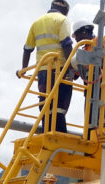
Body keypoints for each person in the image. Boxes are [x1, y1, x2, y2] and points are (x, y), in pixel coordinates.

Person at [19, 0, 74, 133]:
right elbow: (67, 44)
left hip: (43, 71)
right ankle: (58, 133)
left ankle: (47, 130)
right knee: (60, 104)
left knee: (46, 103)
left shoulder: (37, 22)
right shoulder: (62, 20)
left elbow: (27, 49)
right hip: (60, 68)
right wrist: (72, 66)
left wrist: (23, 69)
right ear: (65, 11)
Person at [71, 21, 105, 130]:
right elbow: (77, 75)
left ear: (83, 32)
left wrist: (98, 61)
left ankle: (104, 134)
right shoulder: (84, 50)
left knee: (102, 118)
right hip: (91, 91)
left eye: (76, 35)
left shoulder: (99, 41)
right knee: (89, 123)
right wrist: (72, 68)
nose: (76, 39)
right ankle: (90, 135)